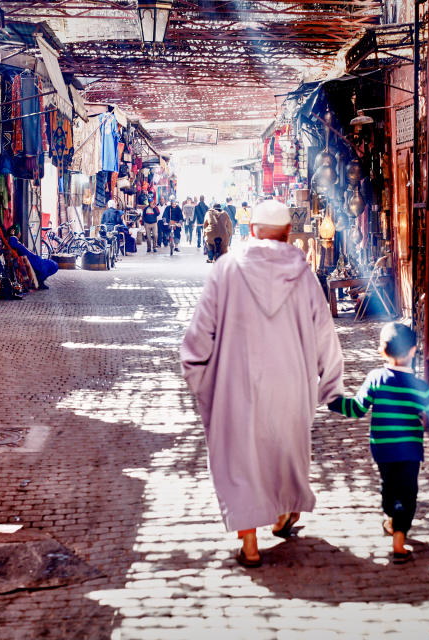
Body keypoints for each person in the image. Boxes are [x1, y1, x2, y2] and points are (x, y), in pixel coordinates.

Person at [180, 199, 345, 568]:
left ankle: (250, 541)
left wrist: (197, 376)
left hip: (236, 384)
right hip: (291, 386)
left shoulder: (226, 270)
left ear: (251, 231)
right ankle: (285, 512)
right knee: (285, 453)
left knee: (241, 460)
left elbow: (199, 333)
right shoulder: (304, 275)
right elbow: (325, 336)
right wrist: (330, 384)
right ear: (288, 235)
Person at [327, 322, 429, 564]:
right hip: (409, 452)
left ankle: (394, 524)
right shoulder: (418, 386)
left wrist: (334, 403)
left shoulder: (375, 378)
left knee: (390, 490)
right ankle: (399, 537)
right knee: (408, 493)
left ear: (382, 351)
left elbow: (357, 409)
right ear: (413, 351)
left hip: (383, 450)